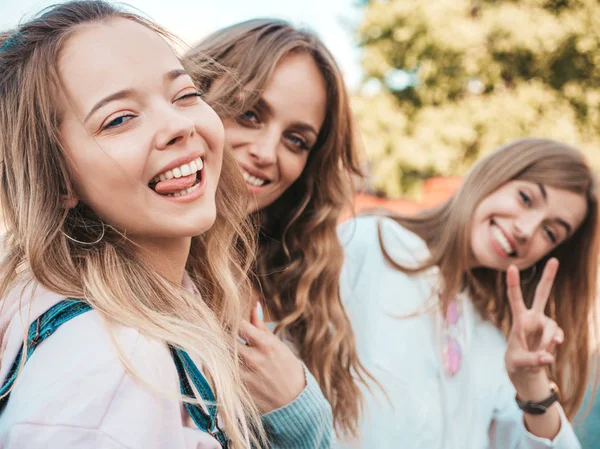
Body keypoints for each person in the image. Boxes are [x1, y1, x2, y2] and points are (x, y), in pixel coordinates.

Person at [0, 1, 265, 448]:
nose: (179, 125)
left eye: (184, 94)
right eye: (119, 119)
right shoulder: (110, 364)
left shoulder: (167, 302)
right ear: (58, 179)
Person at [337, 138, 597, 448]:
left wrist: (532, 384)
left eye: (550, 232)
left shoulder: (497, 344)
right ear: (495, 174)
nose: (526, 229)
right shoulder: (370, 245)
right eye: (526, 198)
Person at [184, 19, 371, 444]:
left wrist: (300, 415)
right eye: (250, 114)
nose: (267, 153)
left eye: (296, 140)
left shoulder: (293, 291)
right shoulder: (110, 262)